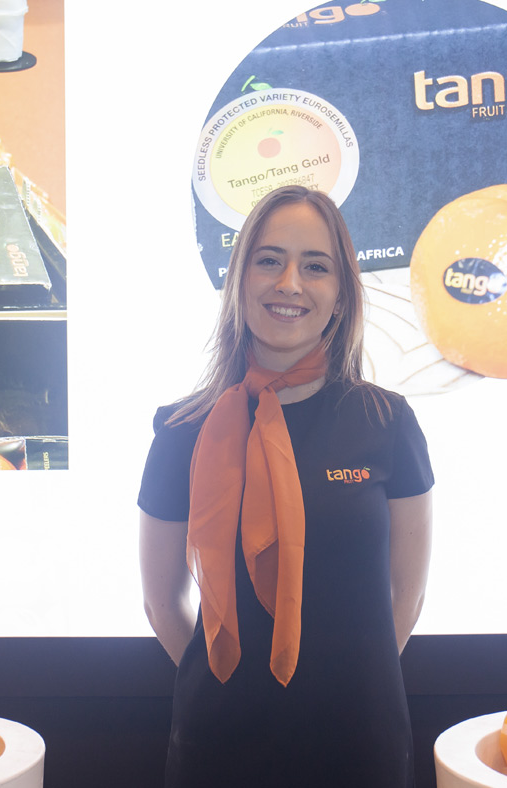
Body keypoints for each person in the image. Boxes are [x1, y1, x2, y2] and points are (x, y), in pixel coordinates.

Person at [137, 185, 434, 787]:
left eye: (316, 266)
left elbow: (406, 594)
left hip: (359, 741)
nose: (289, 283)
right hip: (219, 743)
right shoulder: (181, 430)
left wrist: (340, 687)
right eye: (269, 259)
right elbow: (161, 602)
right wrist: (234, 682)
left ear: (342, 293)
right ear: (239, 278)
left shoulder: (386, 422)